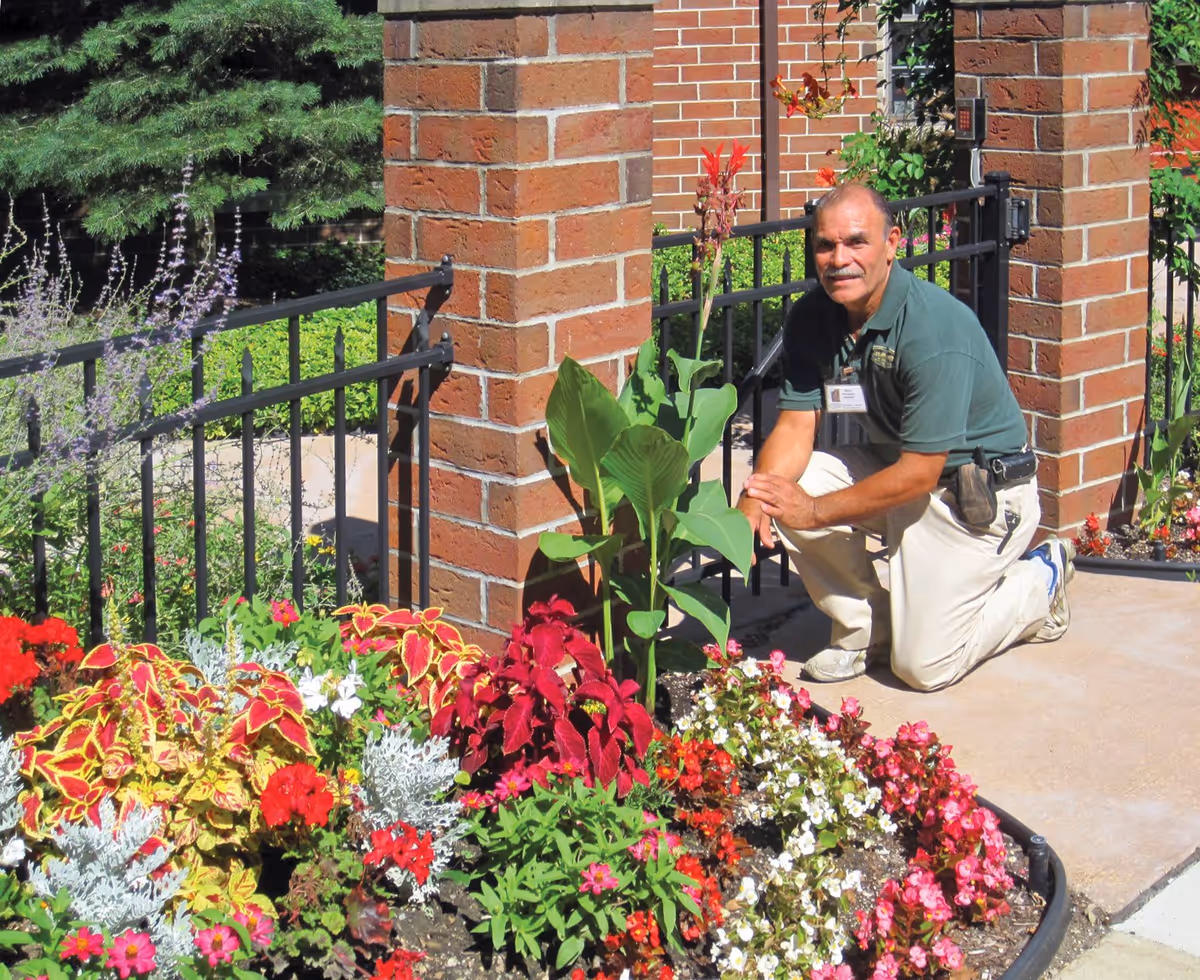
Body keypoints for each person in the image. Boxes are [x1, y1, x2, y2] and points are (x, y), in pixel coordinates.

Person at [738, 183, 1074, 692]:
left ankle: (1040, 579)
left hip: (975, 494)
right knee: (790, 483)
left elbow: (920, 473)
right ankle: (867, 629)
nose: (838, 259)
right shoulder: (813, 315)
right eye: (826, 245)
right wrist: (756, 496)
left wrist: (812, 512)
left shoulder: (932, 330)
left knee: (925, 666)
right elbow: (796, 424)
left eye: (856, 242)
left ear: (892, 242)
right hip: (898, 473)